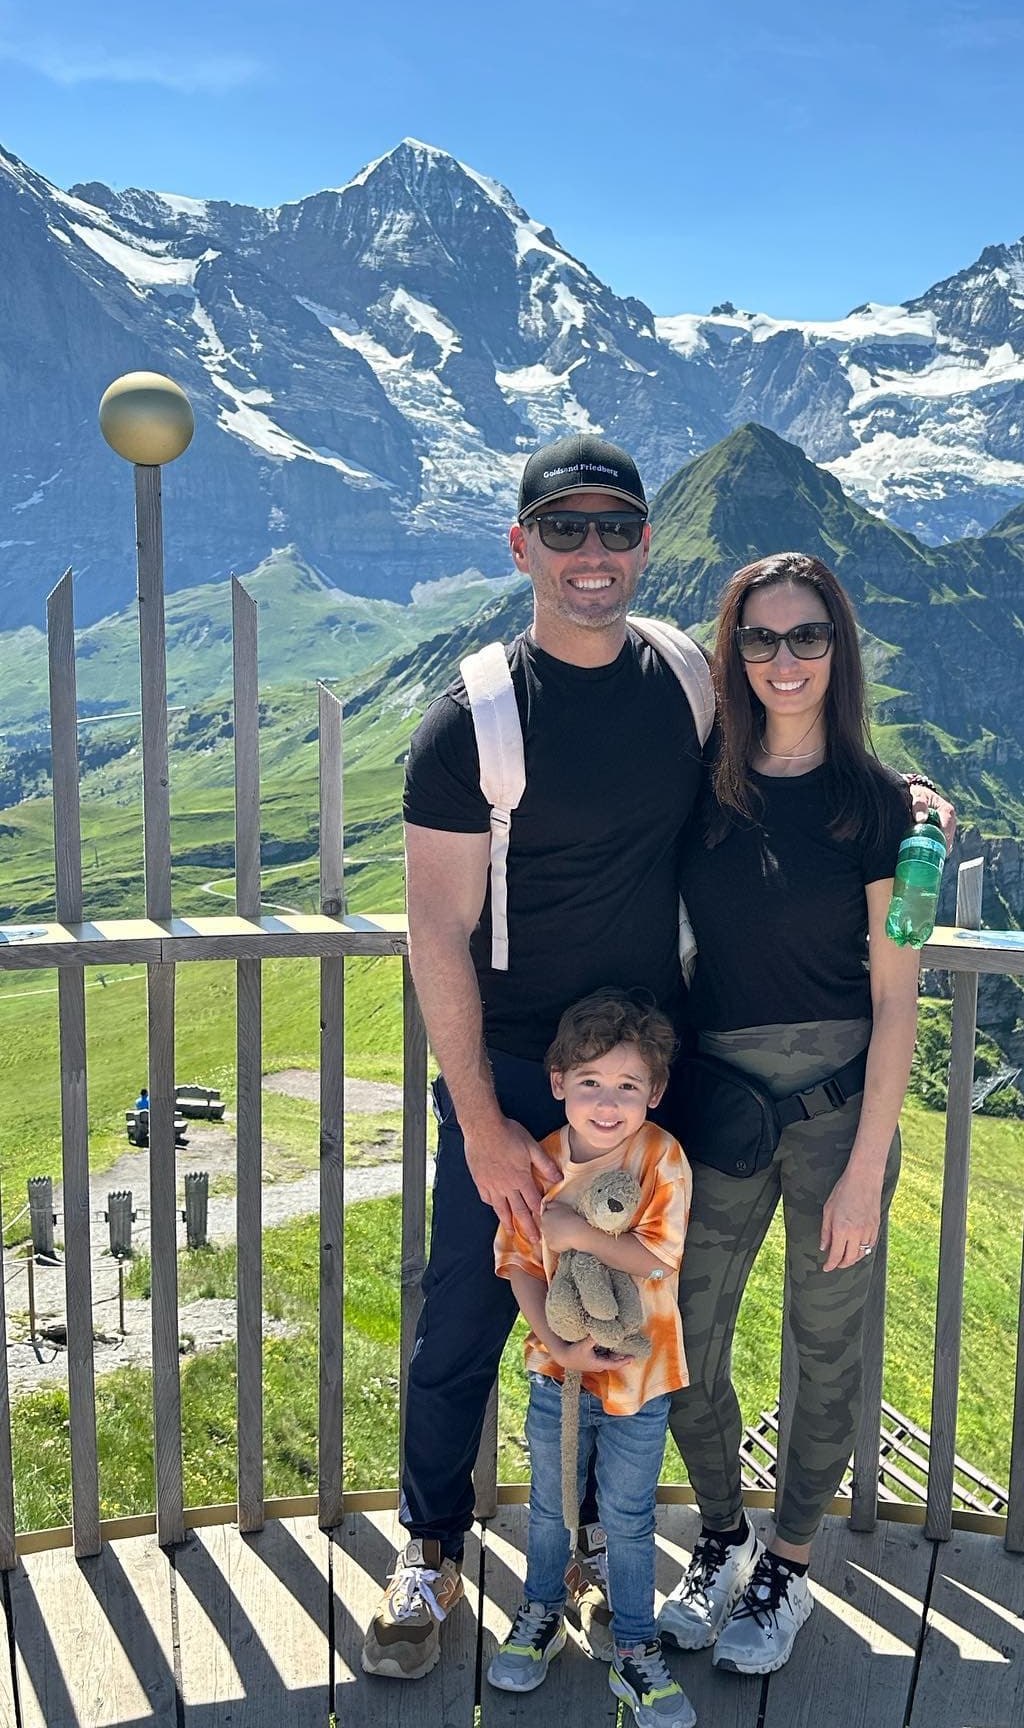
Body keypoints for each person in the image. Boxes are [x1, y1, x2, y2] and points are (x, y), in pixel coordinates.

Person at [365, 429, 950, 1682]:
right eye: (563, 529)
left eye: (615, 529)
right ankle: (430, 1543)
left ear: (645, 544)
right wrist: (479, 1118)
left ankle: (583, 1541)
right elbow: (435, 932)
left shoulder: (684, 680)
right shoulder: (469, 722)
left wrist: (907, 808)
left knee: (625, 1306)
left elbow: (796, 774)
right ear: (521, 545)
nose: (592, 554)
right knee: (471, 1297)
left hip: (648, 1073)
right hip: (520, 1068)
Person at [657, 551, 923, 1676]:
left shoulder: (877, 806)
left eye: (806, 636)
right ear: (733, 655)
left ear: (838, 647)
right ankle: (722, 1533)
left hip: (836, 1114)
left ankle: (791, 1561)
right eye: (759, 640)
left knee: (826, 1350)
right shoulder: (698, 783)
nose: (783, 660)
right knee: (679, 1335)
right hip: (719, 1109)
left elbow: (898, 997)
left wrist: (866, 1168)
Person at [487, 989, 695, 1728]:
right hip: (558, 1373)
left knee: (631, 1516)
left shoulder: (661, 1158)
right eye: (590, 1084)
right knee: (548, 1506)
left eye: (627, 1087)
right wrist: (556, 1338)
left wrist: (574, 1232)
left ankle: (635, 1648)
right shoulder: (540, 1162)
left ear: (655, 1092)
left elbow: (654, 1258)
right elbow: (517, 1260)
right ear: (558, 1084)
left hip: (642, 1378)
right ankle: (541, 1610)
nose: (607, 1104)